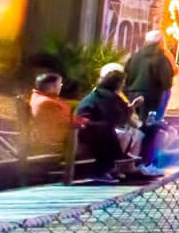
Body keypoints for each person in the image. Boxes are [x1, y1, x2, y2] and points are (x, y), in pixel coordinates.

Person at [74, 66, 141, 182]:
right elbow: (114, 117)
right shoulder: (105, 96)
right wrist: (131, 109)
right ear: (117, 83)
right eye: (122, 82)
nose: (124, 85)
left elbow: (119, 115)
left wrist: (130, 109)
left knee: (127, 132)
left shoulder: (107, 94)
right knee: (111, 130)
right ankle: (105, 169)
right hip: (86, 129)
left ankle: (118, 166)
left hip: (92, 127)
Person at [123, 31, 173, 167]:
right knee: (151, 128)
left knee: (135, 128)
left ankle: (133, 162)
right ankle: (146, 162)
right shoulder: (161, 58)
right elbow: (166, 81)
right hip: (152, 98)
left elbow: (126, 77)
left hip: (133, 96)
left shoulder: (134, 56)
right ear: (160, 42)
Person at [28, 73, 75, 160]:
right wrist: (85, 122)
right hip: (53, 145)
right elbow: (64, 122)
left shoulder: (40, 97)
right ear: (51, 87)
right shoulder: (47, 103)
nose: (61, 86)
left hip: (49, 139)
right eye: (59, 83)